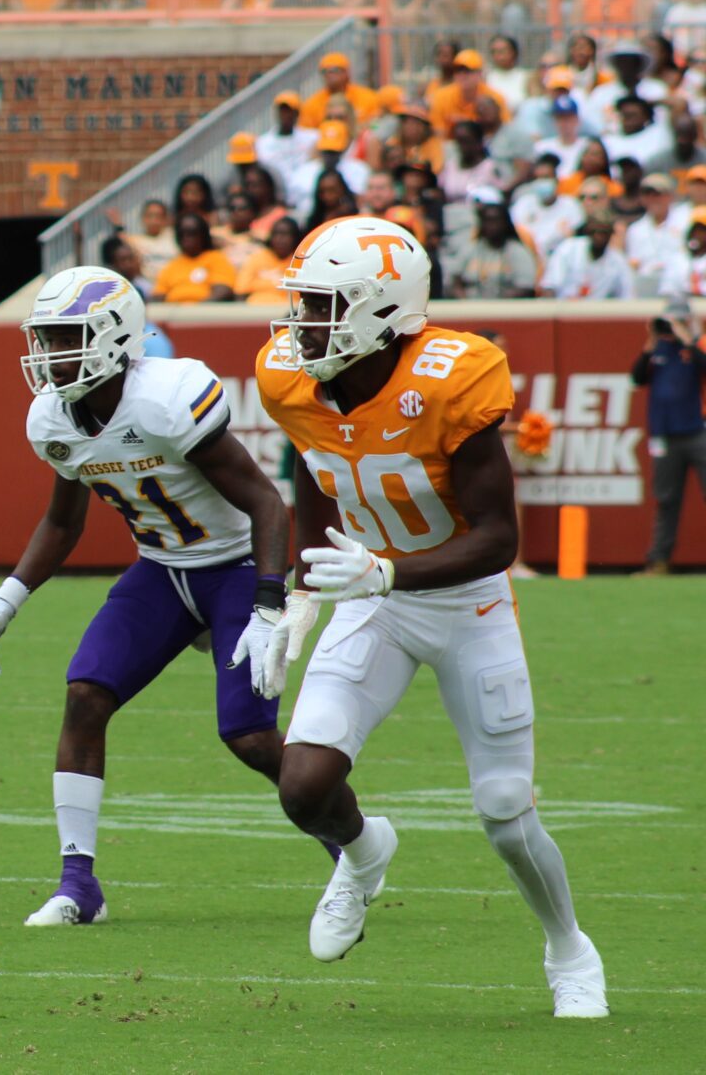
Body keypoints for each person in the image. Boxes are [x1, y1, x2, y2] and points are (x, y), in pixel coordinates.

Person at [251, 216, 606, 1019]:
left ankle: (568, 947)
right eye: (301, 304)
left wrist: (385, 570)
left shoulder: (450, 376)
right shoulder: (294, 377)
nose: (301, 324)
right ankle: (365, 852)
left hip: (464, 601)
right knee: (304, 786)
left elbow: (497, 539)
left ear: (382, 312)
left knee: (506, 812)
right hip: (370, 597)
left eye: (321, 305)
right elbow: (314, 465)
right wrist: (304, 589)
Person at [0, 264, 309, 926]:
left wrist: (270, 600)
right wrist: (8, 599)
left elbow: (268, 501)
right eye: (46, 339)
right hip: (161, 569)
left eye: (66, 338)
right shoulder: (55, 418)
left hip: (234, 566)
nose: (50, 356)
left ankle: (347, 834)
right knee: (85, 694)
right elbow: (64, 521)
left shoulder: (166, 398)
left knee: (248, 735)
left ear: (111, 335)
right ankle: (78, 885)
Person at [632, 301, 706, 576]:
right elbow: (636, 379)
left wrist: (688, 337)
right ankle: (659, 561)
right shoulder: (658, 349)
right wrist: (650, 342)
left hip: (697, 431)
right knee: (666, 499)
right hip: (664, 435)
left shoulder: (694, 347)